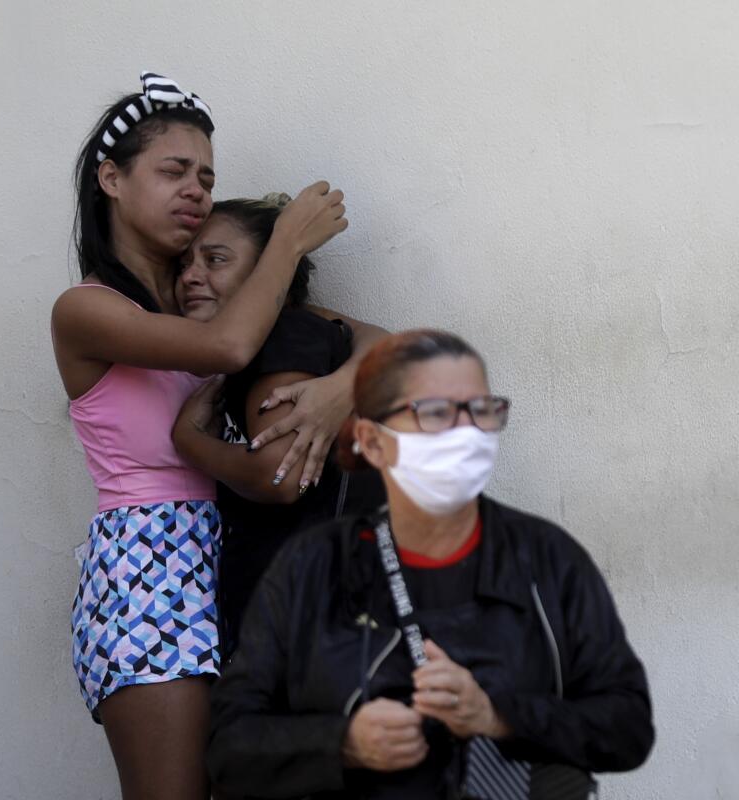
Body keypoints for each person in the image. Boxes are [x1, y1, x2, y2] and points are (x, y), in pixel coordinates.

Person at [51, 72, 354, 800]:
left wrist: (341, 390)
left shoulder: (201, 304)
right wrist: (284, 242)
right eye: (173, 171)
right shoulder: (84, 310)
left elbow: (387, 346)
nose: (196, 190)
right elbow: (228, 351)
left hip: (227, 561)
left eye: (207, 177)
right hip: (146, 572)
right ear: (112, 179)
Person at [208, 329, 654, 799]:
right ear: (373, 442)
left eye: (481, 411)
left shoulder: (547, 558)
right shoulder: (311, 568)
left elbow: (628, 728)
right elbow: (228, 747)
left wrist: (498, 715)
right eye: (435, 414)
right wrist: (343, 743)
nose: (463, 434)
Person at [170, 194, 388, 658]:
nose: (190, 275)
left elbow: (280, 475)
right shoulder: (273, 348)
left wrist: (189, 442)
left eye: (216, 260)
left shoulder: (286, 337)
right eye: (185, 263)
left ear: (273, 275)